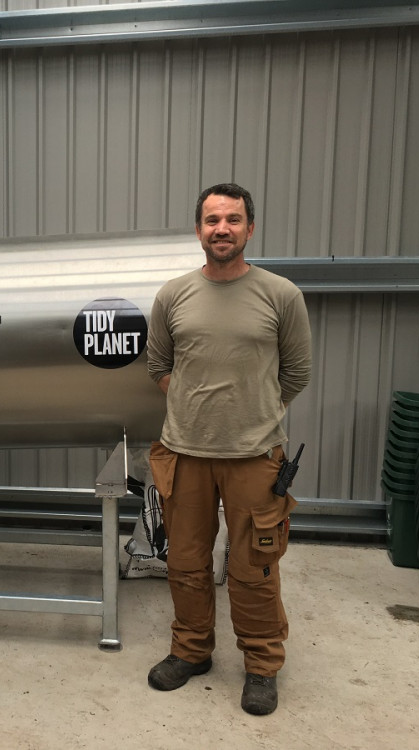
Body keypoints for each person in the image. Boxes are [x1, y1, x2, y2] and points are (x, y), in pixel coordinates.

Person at [145, 183, 312, 715]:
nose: (222, 229)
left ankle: (262, 664)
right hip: (185, 455)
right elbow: (159, 368)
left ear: (250, 229)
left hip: (256, 458)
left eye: (233, 220)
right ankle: (191, 650)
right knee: (187, 562)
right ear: (198, 230)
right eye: (212, 220)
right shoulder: (173, 295)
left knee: (254, 565)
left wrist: (254, 411)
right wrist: (197, 409)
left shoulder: (280, 295)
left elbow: (297, 372)